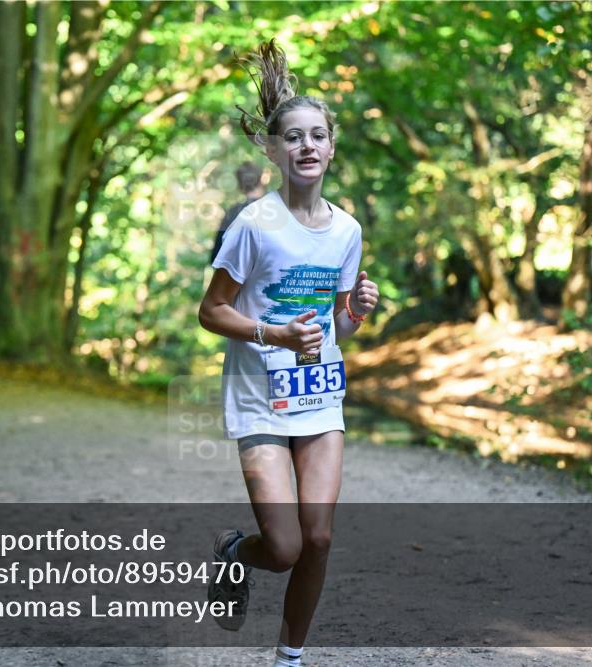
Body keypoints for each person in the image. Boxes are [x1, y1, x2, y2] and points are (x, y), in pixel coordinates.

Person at [197, 39, 379, 667]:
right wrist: (272, 334)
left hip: (319, 395)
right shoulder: (253, 224)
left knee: (319, 538)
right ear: (272, 150)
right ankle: (231, 552)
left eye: (318, 136)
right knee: (283, 546)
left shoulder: (348, 231)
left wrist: (354, 312)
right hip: (259, 400)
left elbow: (336, 328)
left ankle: (289, 657)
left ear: (331, 147)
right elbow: (211, 311)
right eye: (293, 137)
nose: (307, 146)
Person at [209, 161, 266, 264]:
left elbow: (216, 257)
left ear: (240, 185)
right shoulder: (276, 210)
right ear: (262, 179)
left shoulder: (232, 214)